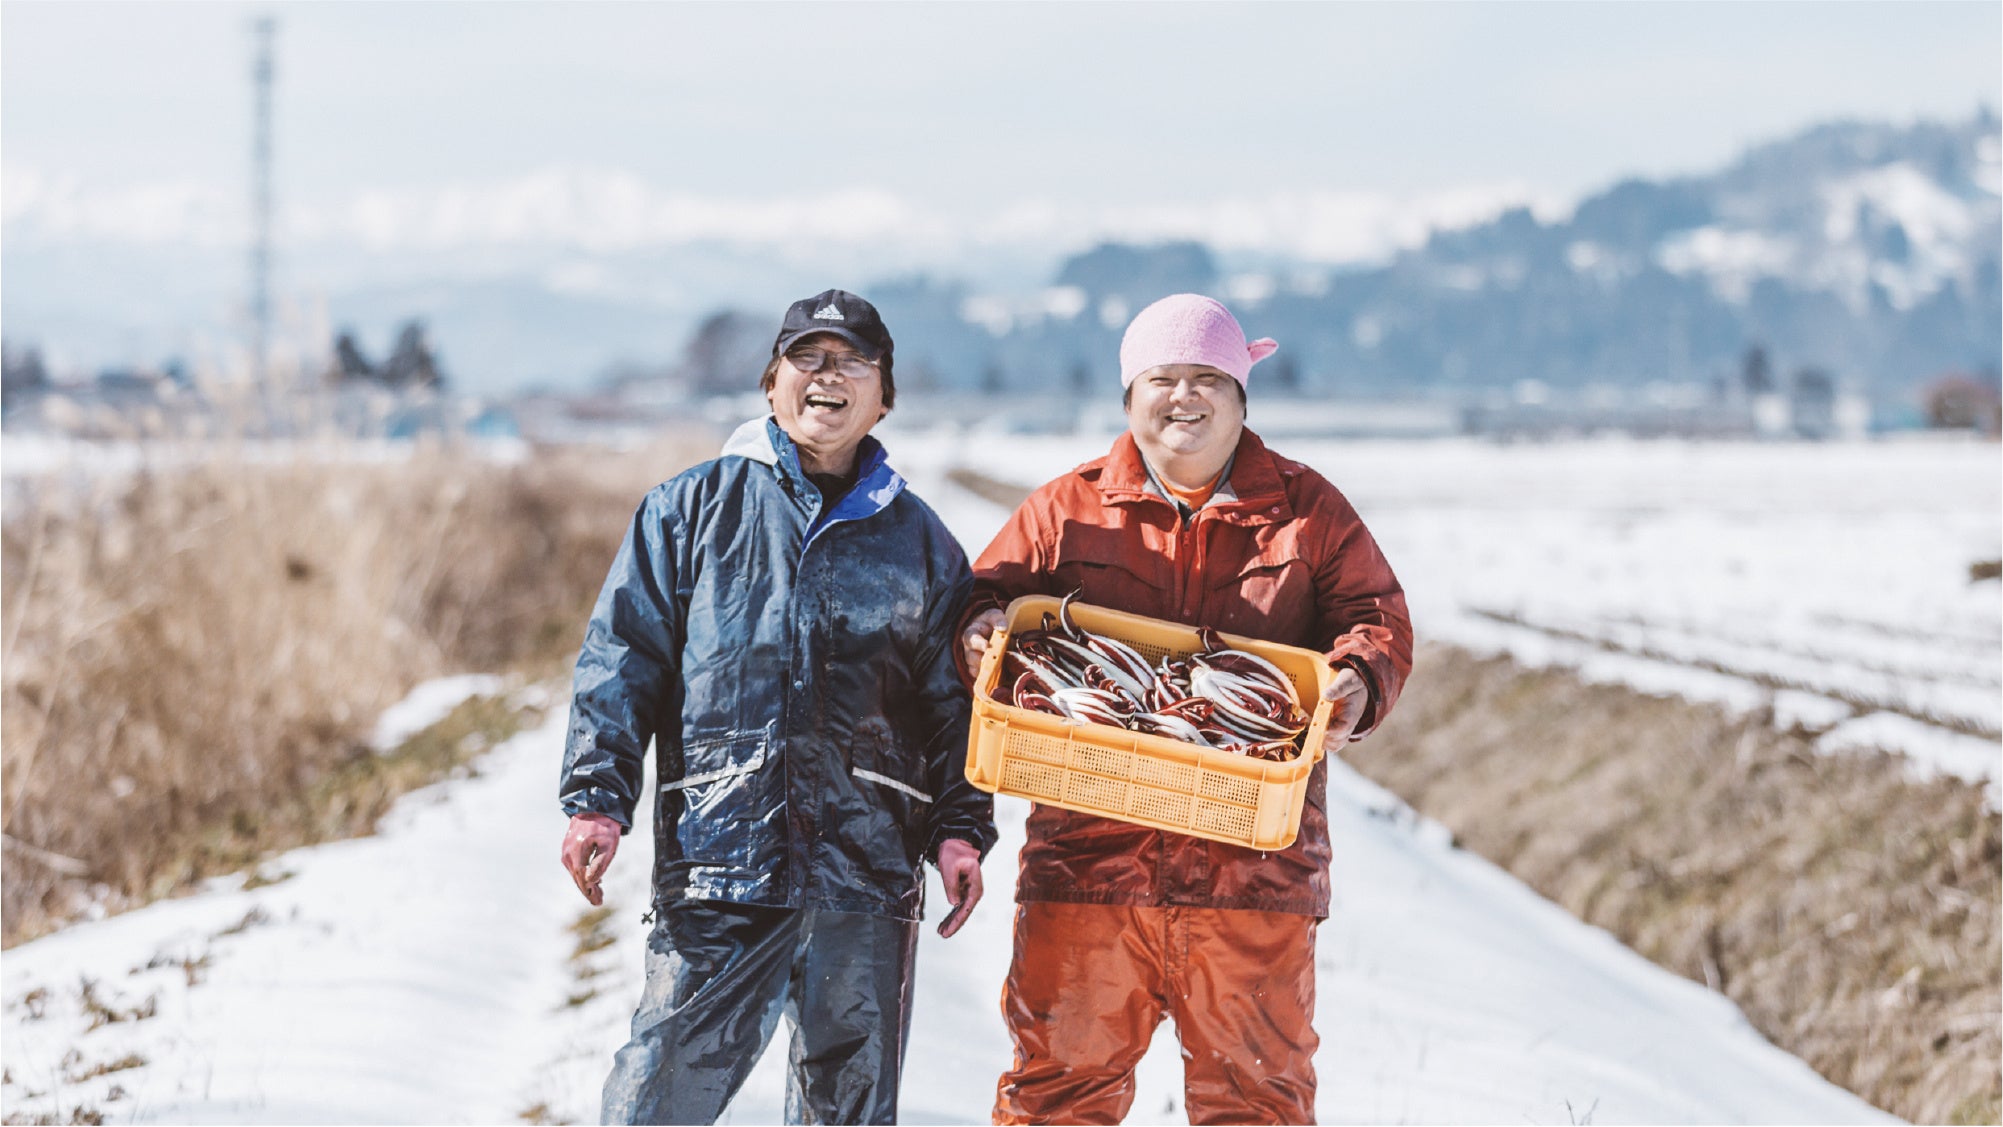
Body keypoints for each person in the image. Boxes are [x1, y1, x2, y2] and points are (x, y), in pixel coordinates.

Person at [959, 294, 1413, 1125]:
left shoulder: (1307, 512)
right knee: (1056, 1095)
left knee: (1255, 1102)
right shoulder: (1067, 506)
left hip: (1253, 872)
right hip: (1087, 867)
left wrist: (1359, 677)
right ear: (1129, 397)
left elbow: (1374, 618)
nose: (1184, 397)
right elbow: (987, 600)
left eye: (1209, 378)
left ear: (1242, 398)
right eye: (1162, 378)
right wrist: (979, 630)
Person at [560, 288, 997, 1126]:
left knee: (849, 1111)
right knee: (654, 1098)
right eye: (808, 358)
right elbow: (621, 664)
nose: (827, 377)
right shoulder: (688, 512)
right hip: (722, 859)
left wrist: (958, 828)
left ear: (884, 395)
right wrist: (595, 799)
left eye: (852, 363)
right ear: (770, 384)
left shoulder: (922, 542)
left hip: (864, 874)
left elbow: (952, 705)